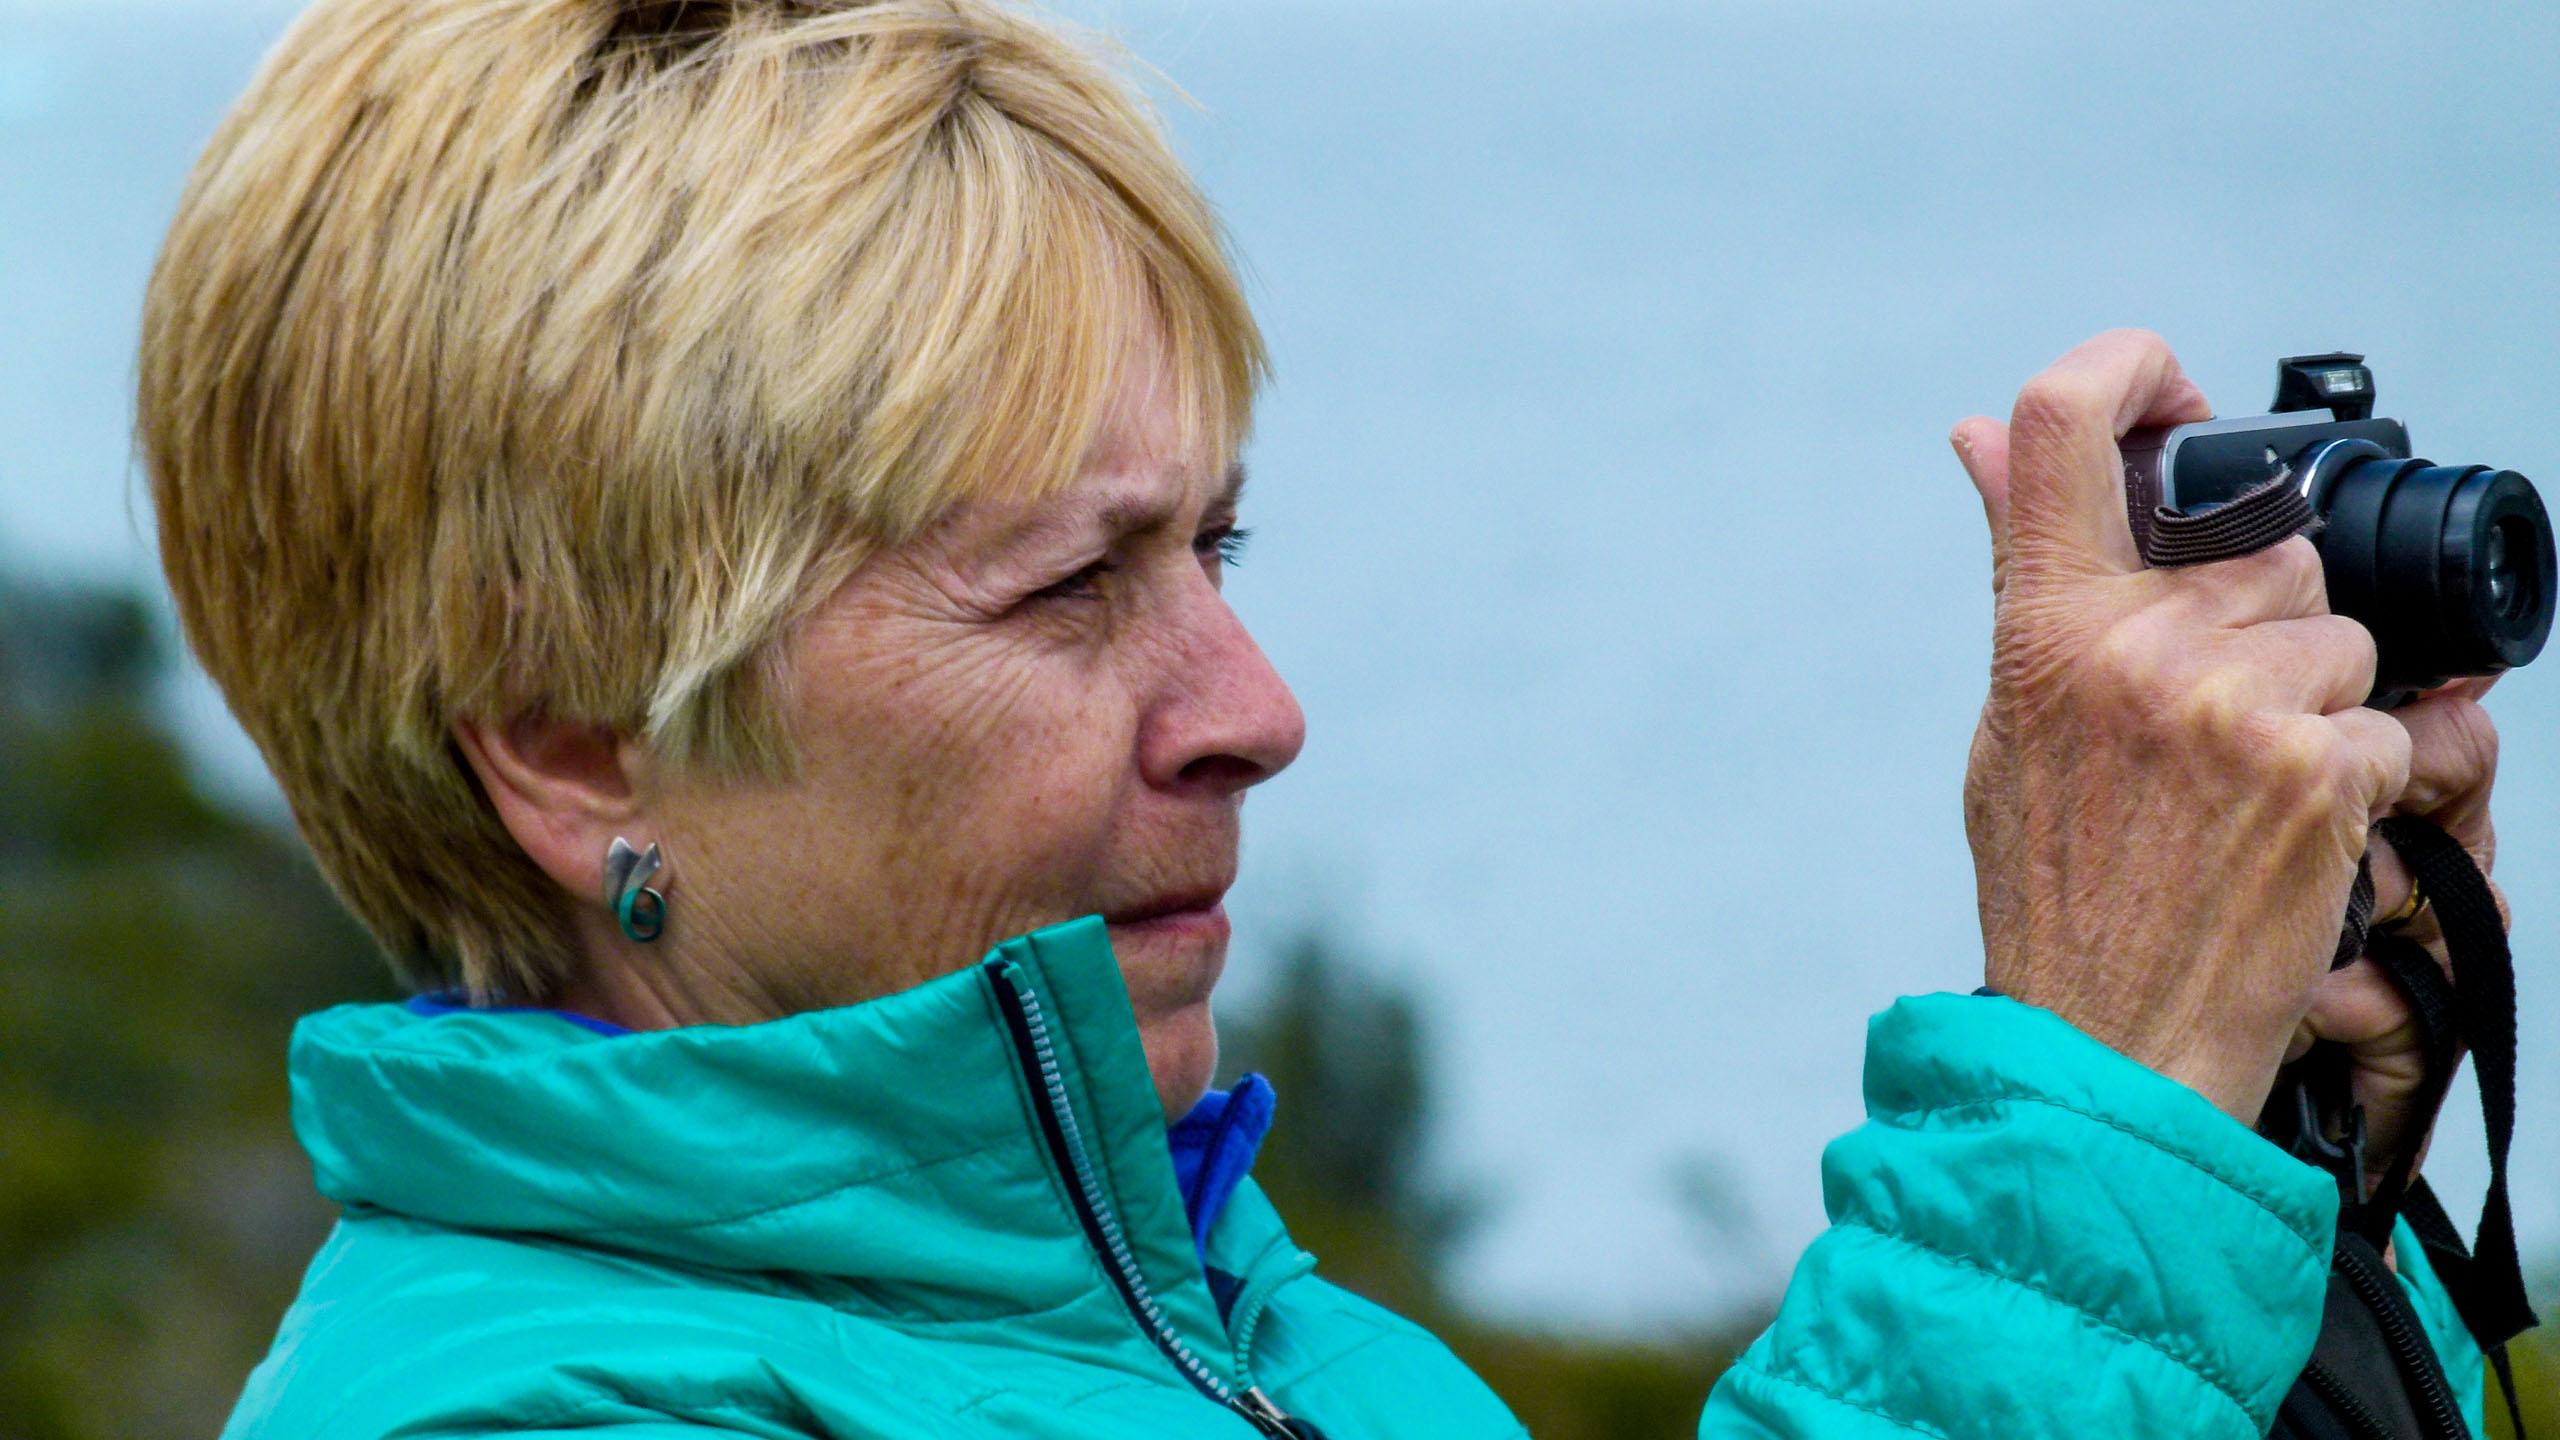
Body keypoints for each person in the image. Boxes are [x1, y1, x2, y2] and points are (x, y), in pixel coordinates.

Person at [138, 2, 2504, 1435]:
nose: (1252, 713)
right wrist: (2083, 1109)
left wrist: (2264, 1166)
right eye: (1068, 583)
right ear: (569, 748)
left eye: (1215, 551)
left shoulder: (1230, 1320)